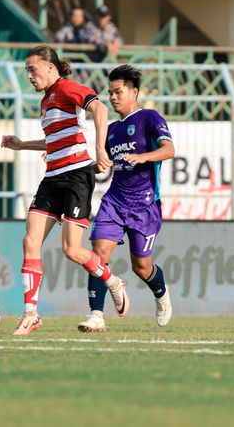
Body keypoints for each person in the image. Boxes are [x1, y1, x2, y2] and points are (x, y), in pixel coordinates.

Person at [0, 45, 129, 335]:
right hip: (52, 178)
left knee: (72, 250)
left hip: (76, 177)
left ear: (50, 66)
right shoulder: (46, 100)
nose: (29, 76)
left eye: (32, 70)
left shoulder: (67, 88)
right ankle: (31, 313)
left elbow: (99, 107)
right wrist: (22, 145)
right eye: (26, 72)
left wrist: (98, 147)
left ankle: (112, 280)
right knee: (30, 241)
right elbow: (54, 141)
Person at [77, 65, 175, 333]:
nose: (113, 97)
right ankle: (96, 315)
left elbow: (169, 149)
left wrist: (144, 156)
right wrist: (99, 163)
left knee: (141, 268)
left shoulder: (149, 118)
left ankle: (162, 295)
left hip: (144, 205)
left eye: (118, 92)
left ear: (134, 92)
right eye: (109, 92)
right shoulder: (110, 129)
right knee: (98, 253)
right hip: (114, 201)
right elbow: (103, 163)